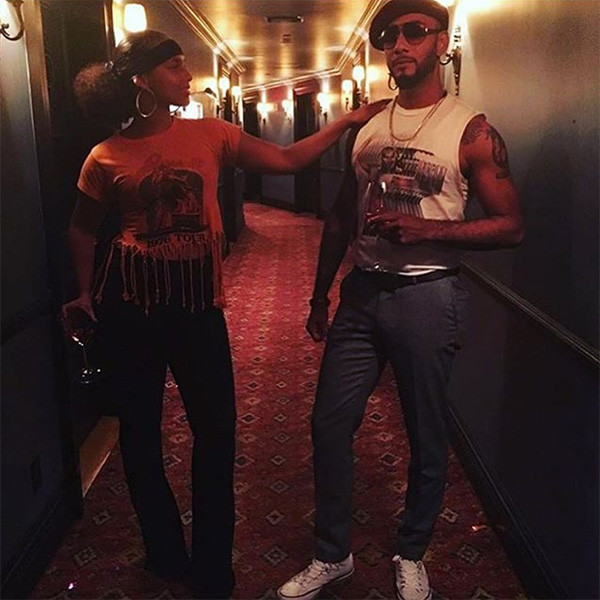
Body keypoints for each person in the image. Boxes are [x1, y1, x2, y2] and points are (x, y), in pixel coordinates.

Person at [61, 29, 388, 600]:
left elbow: (286, 159)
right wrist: (85, 294)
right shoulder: (104, 156)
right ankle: (165, 552)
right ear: (141, 81)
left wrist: (346, 121)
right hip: (131, 310)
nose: (187, 75)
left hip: (198, 310)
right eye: (174, 66)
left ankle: (213, 566)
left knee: (216, 435)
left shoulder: (210, 134)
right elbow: (82, 229)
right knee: (139, 435)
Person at [277, 1, 524, 599]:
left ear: (442, 42)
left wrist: (428, 229)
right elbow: (341, 216)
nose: (399, 44)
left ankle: (412, 551)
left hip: (428, 295)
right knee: (329, 424)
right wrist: (319, 295)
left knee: (425, 433)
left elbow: (512, 225)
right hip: (361, 294)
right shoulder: (368, 125)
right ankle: (333, 554)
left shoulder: (471, 130)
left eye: (415, 32)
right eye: (390, 35)